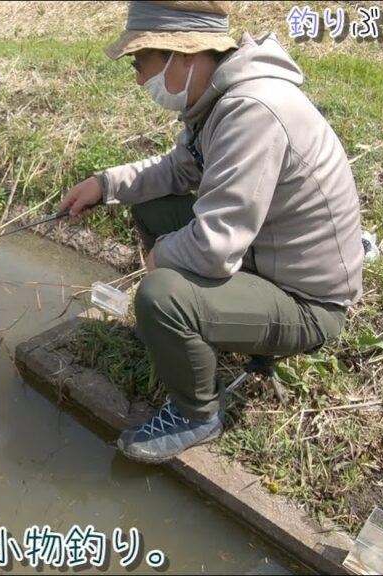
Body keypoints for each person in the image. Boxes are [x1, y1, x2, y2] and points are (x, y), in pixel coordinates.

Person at [58, 1, 364, 464]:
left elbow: (216, 246)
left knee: (161, 295)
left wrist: (157, 263)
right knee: (156, 211)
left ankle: (196, 413)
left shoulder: (252, 110)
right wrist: (104, 185)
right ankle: (189, 333)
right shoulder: (219, 99)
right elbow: (178, 170)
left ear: (185, 54)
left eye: (142, 63)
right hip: (264, 260)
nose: (139, 78)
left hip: (307, 303)